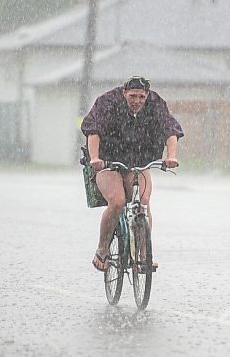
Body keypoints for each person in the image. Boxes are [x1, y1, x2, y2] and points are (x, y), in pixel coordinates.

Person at [81, 76, 184, 272]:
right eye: (132, 96)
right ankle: (102, 248)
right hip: (107, 160)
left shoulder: (155, 104)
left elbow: (170, 130)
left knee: (143, 202)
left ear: (147, 96)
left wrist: (171, 157)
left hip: (138, 160)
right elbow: (93, 130)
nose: (137, 101)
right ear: (124, 93)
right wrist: (95, 158)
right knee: (118, 201)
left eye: (141, 97)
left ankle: (143, 256)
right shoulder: (108, 102)